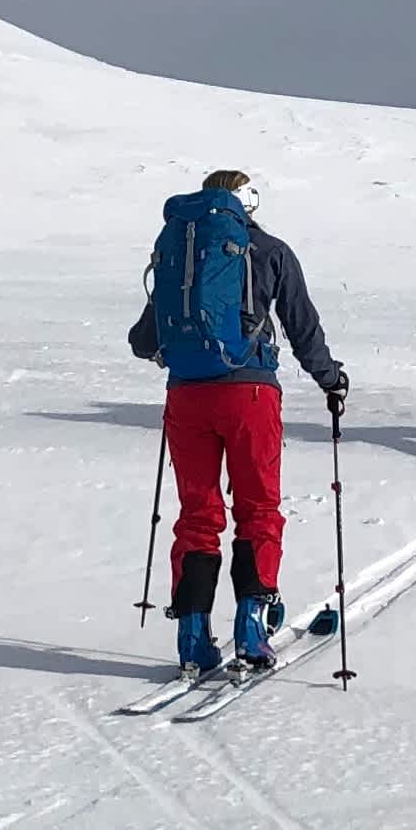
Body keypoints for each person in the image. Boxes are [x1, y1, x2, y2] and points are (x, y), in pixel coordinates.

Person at [128, 169, 349, 674]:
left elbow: (144, 340)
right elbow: (302, 327)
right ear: (249, 203)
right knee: (257, 508)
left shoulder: (180, 253)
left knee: (197, 515)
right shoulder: (271, 251)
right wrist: (331, 380)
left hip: (185, 396)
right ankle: (251, 625)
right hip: (250, 395)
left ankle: (191, 634)